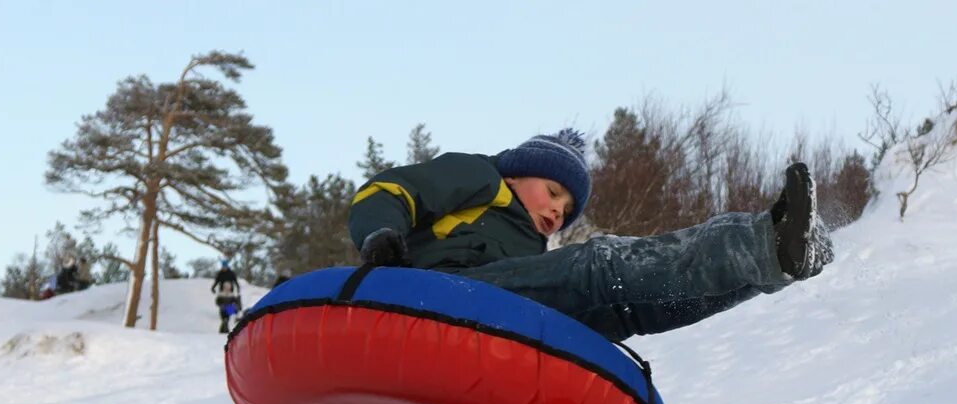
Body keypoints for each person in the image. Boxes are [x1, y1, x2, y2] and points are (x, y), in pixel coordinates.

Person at [349, 129, 834, 342]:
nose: (559, 209)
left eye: (567, 207)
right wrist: (381, 236)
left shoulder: (530, 248)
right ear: (518, 175)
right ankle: (763, 245)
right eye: (553, 191)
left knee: (629, 308)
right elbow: (394, 189)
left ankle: (773, 264)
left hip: (501, 312)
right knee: (599, 266)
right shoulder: (484, 178)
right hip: (437, 292)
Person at [211, 258, 242, 334]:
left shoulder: (231, 273)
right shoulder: (220, 273)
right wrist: (213, 287)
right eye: (223, 266)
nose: (224, 268)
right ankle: (225, 322)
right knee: (224, 308)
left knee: (229, 308)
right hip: (222, 292)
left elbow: (235, 281)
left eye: (225, 266)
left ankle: (227, 322)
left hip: (230, 291)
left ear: (227, 266)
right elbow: (217, 281)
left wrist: (237, 288)